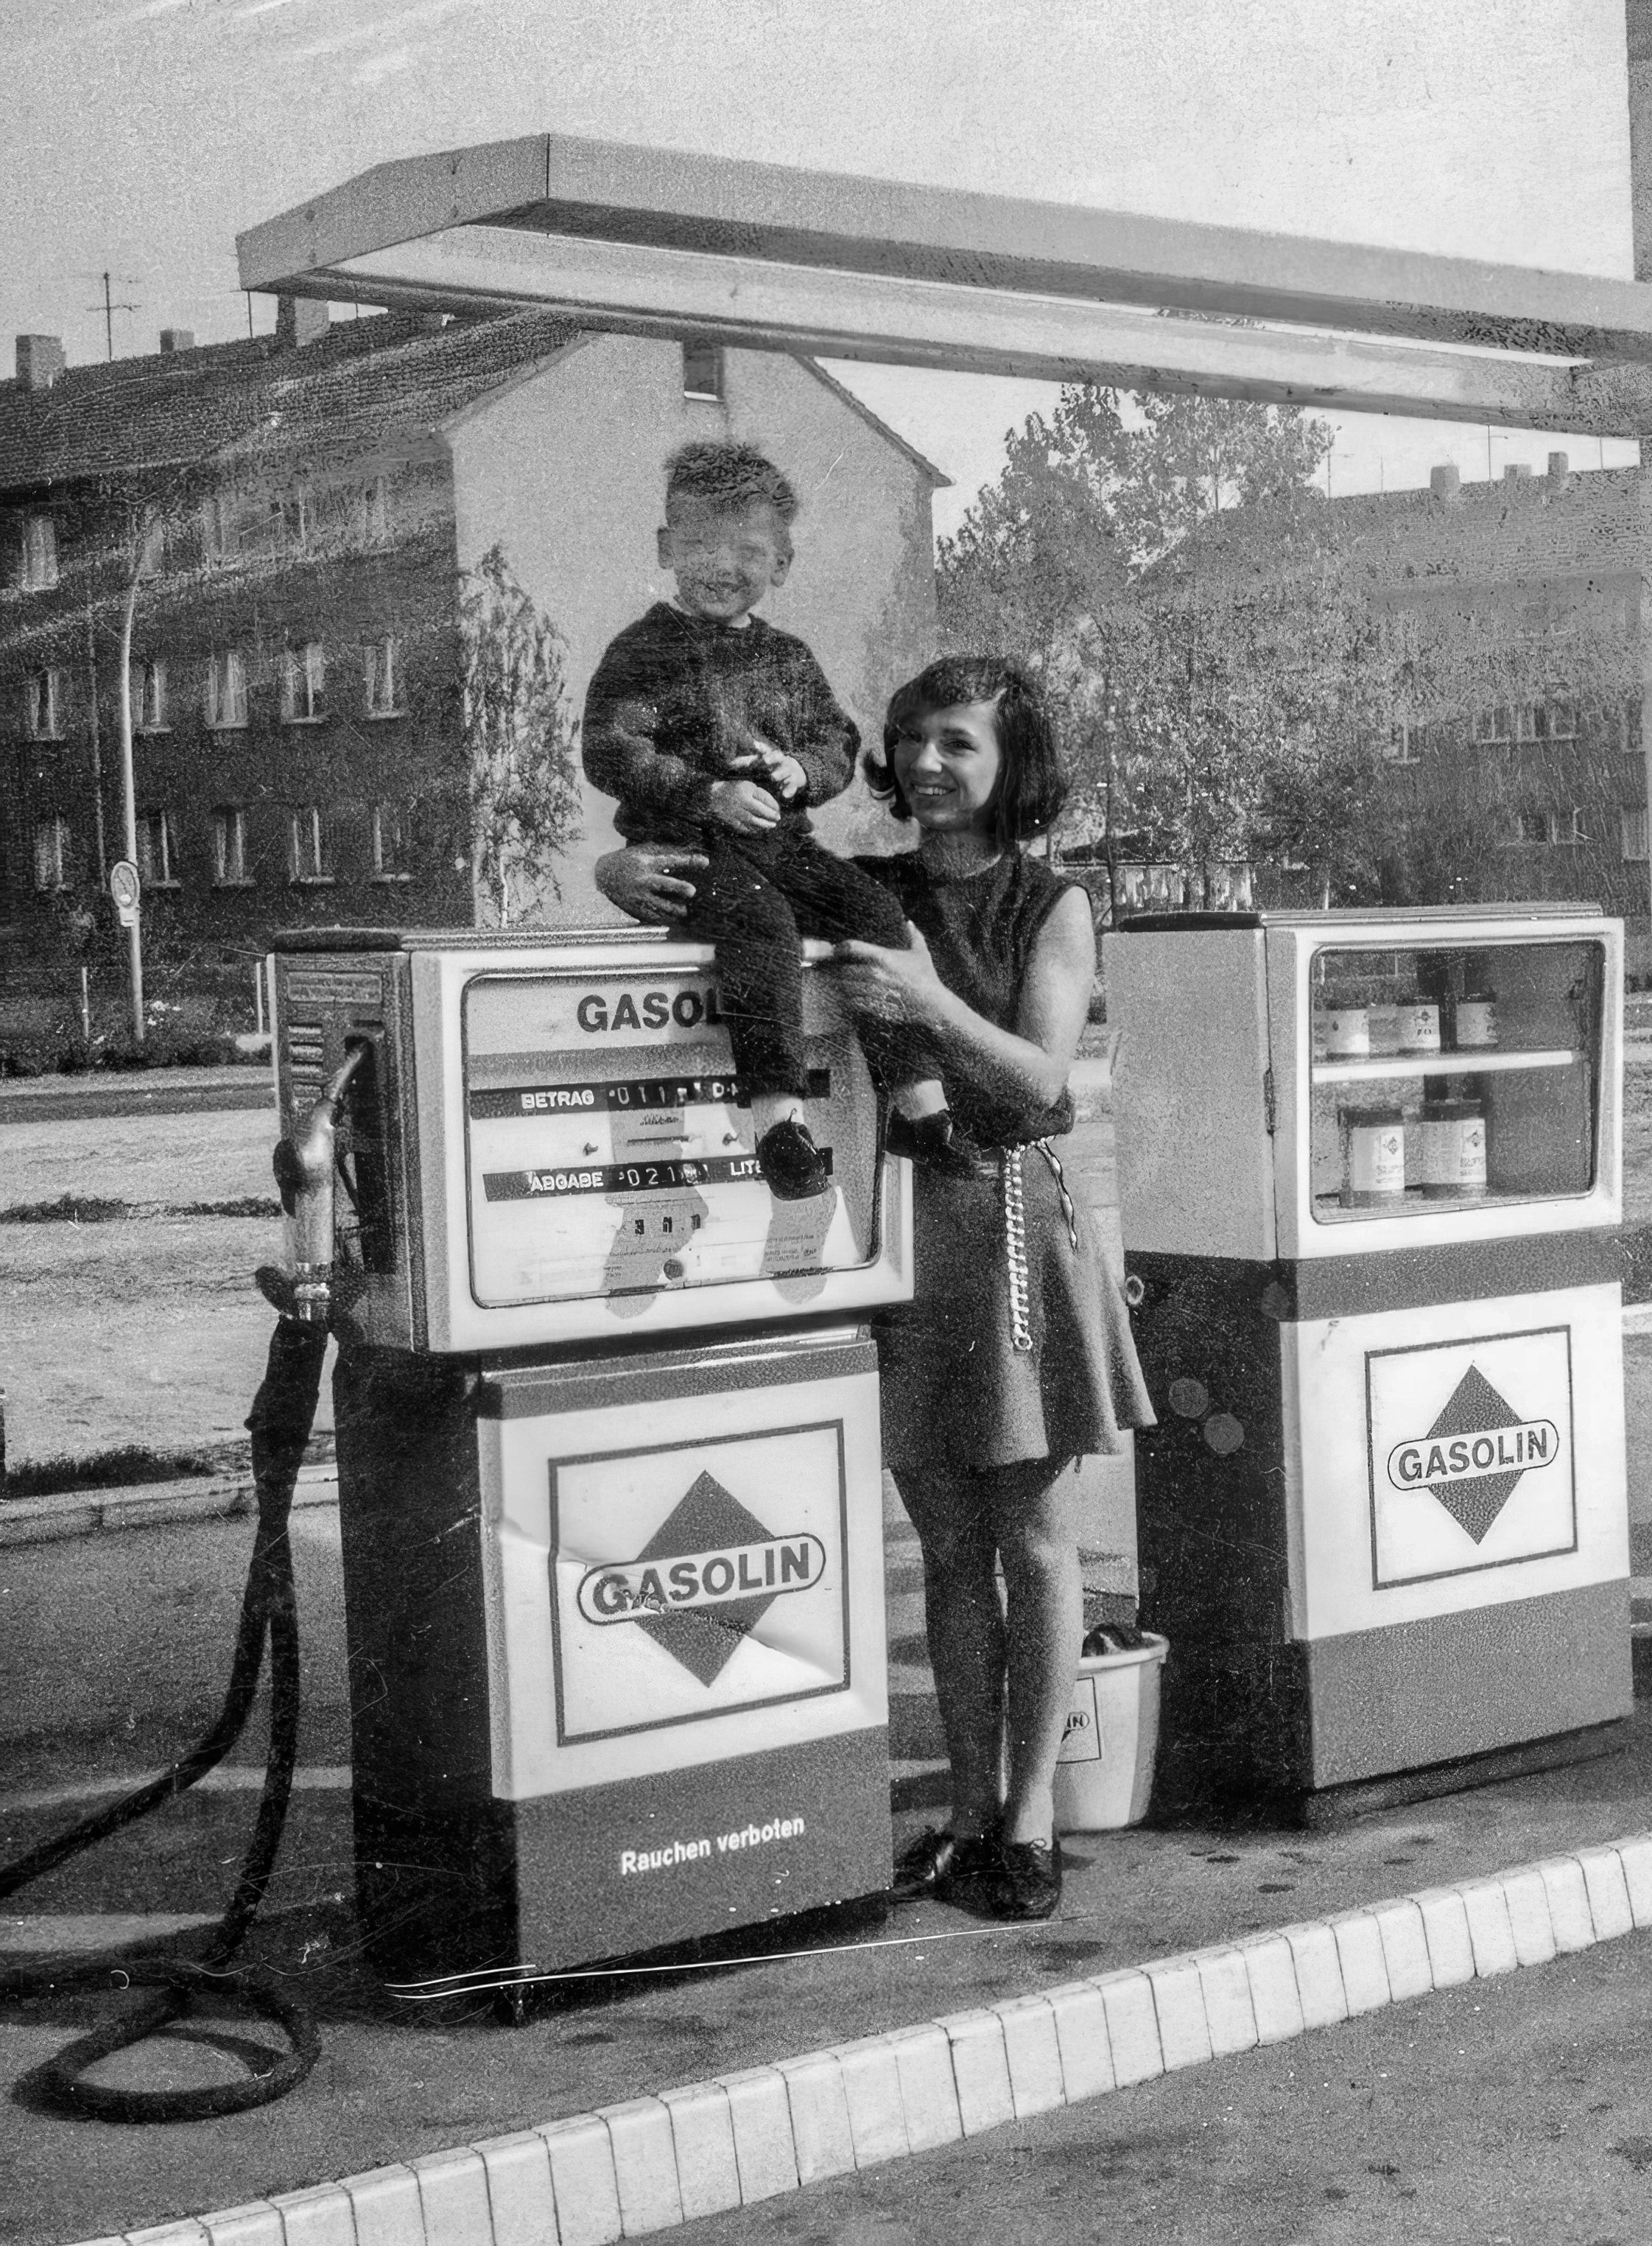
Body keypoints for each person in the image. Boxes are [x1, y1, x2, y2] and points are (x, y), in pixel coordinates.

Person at [596, 654, 1151, 1921]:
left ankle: (1032, 1817)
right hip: (897, 1225)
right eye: (911, 740)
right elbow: (734, 915)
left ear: (1013, 762)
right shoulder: (870, 885)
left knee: (1032, 1539)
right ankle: (967, 1810)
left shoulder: (1050, 901)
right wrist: (620, 873)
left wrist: (928, 1001)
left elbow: (1043, 1080)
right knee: (945, 1546)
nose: (929, 764)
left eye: (959, 742)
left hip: (1010, 1222)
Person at [582, 439, 956, 1200]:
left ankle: (916, 1101)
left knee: (873, 911)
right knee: (760, 926)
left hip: (782, 844)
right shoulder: (643, 651)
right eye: (702, 546)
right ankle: (779, 1122)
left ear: (782, 563)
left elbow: (836, 740)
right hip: (689, 850)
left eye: (748, 551)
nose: (723, 566)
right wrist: (704, 794)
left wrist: (803, 770)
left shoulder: (789, 657)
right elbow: (612, 749)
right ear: (666, 548)